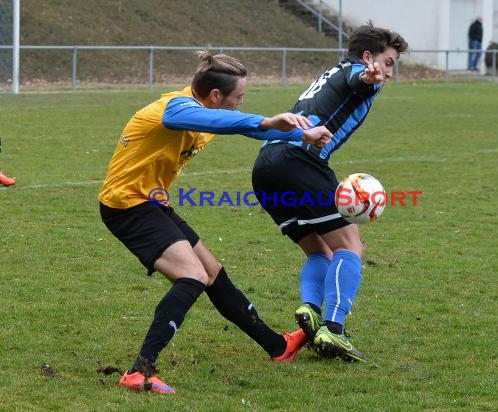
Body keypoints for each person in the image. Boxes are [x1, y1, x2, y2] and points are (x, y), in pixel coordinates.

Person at [98, 50, 332, 394]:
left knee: (213, 273)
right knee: (192, 277)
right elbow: (229, 123)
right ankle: (140, 371)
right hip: (126, 206)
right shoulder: (175, 109)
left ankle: (278, 347)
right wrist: (267, 121)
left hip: (151, 201)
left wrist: (299, 134)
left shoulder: (203, 108)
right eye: (237, 98)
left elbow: (237, 126)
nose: (240, 103)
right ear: (215, 96)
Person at [251, 23, 408, 362]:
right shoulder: (358, 73)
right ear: (369, 57)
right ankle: (333, 330)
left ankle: (310, 310)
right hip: (300, 162)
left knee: (320, 250)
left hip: (267, 166)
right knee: (350, 245)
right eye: (389, 62)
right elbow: (360, 81)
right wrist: (369, 77)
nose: (390, 71)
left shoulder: (332, 71)